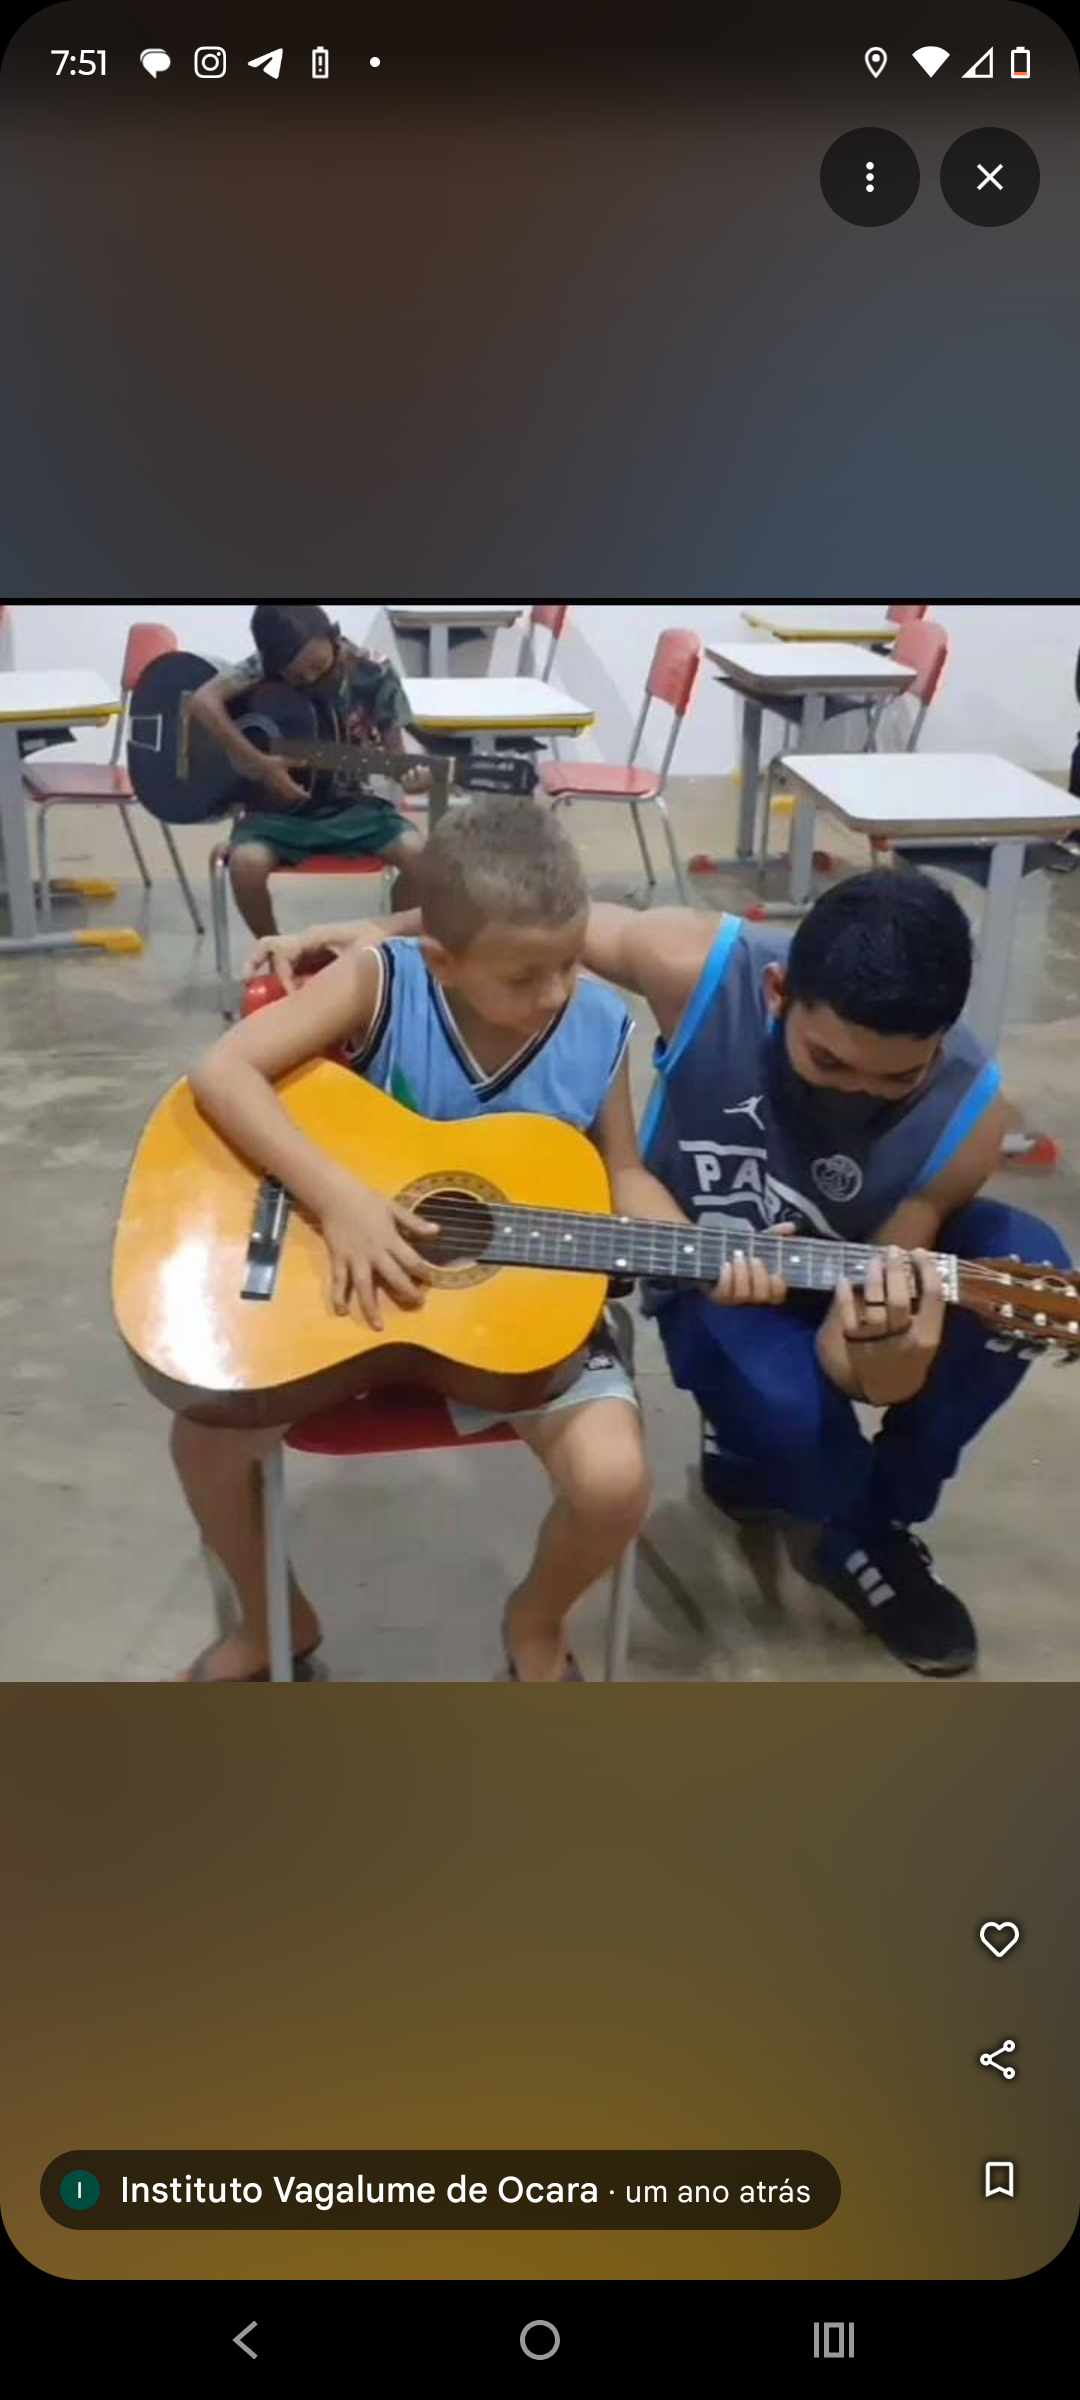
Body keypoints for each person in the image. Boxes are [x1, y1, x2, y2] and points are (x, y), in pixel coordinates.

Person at [251, 868, 1073, 1679]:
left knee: (1028, 1255)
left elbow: (851, 1368)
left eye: (898, 1078)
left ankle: (867, 1529)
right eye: (829, 1061)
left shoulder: (969, 1116)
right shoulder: (697, 967)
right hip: (698, 1266)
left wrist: (891, 1355)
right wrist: (383, 935)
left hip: (844, 1289)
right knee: (792, 1431)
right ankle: (771, 1458)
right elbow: (530, 916)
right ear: (778, 995)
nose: (859, 1090)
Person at [171, 798, 785, 1685]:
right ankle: (276, 1621)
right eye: (524, 976)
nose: (554, 993)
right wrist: (341, 1201)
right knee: (203, 1442)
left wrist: (703, 1251)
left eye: (568, 962)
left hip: (518, 1324)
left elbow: (623, 1175)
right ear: (443, 960)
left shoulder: (596, 1027)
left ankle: (536, 1618)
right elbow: (222, 1070)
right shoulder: (384, 982)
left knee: (614, 1482)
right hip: (353, 1304)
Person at [189, 603, 427, 938]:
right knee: (245, 866)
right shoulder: (265, 666)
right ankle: (274, 952)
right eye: (298, 678)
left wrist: (413, 778)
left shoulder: (373, 670)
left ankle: (390, 946)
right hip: (275, 815)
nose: (312, 679)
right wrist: (258, 763)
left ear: (334, 637)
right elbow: (202, 701)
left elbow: (397, 759)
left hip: (353, 808)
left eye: (318, 665)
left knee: (421, 857)